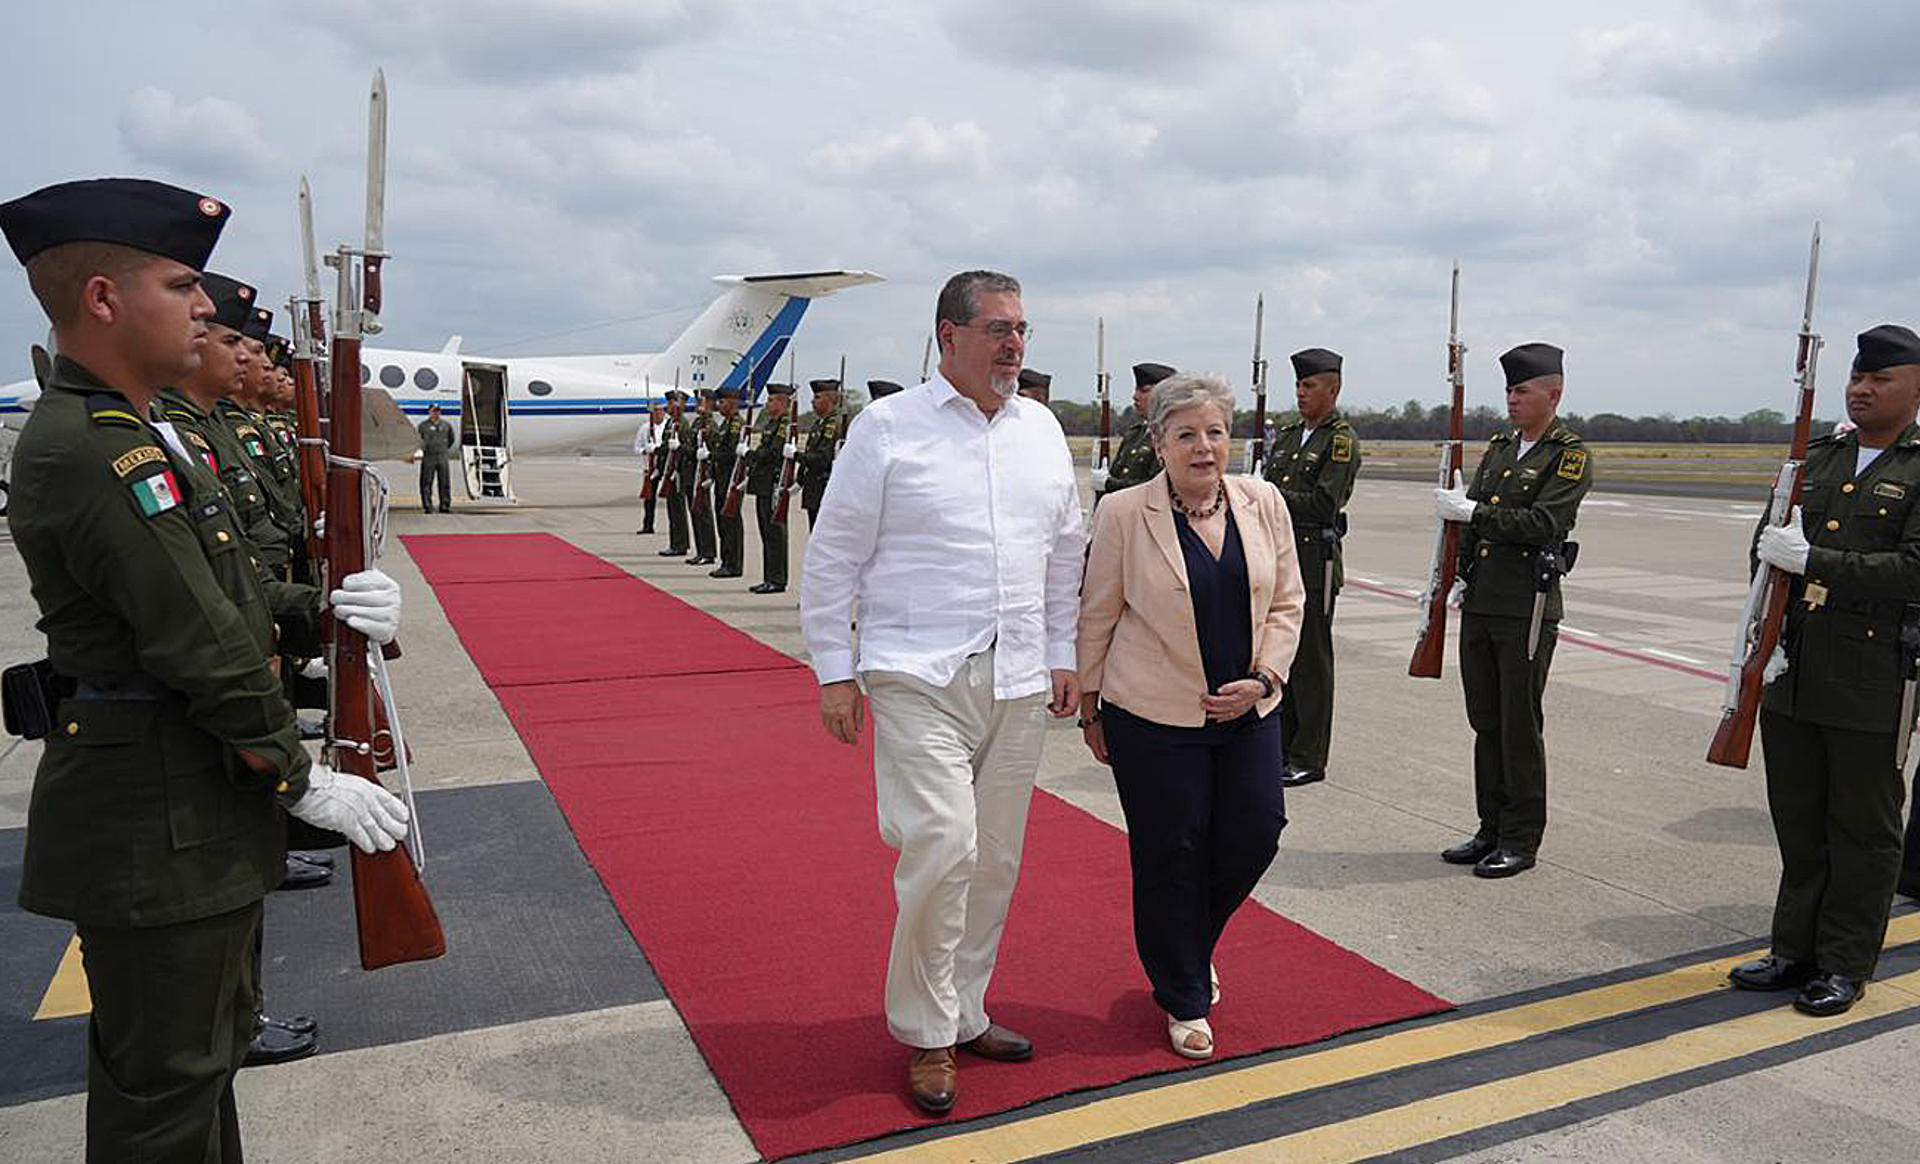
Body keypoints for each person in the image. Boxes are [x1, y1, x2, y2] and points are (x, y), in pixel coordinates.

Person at [1, 176, 410, 1164]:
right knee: (166, 1096)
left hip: (184, 804)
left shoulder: (134, 435)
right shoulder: (100, 454)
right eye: (182, 286)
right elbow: (198, 639)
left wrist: (328, 609)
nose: (203, 307)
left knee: (197, 1066)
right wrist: (300, 773)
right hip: (155, 820)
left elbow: (224, 598)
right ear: (103, 299)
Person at [799, 270, 1084, 1116]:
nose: (1015, 344)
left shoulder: (1041, 432)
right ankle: (926, 1034)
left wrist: (1065, 653)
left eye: (1022, 329)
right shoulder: (887, 429)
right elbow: (833, 554)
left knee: (993, 858)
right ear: (946, 336)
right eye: (998, 328)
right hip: (916, 671)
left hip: (1022, 675)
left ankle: (966, 1011)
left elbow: (1066, 554)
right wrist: (832, 669)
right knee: (943, 843)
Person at [1077, 371, 1304, 1059]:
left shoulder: (1263, 502)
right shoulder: (1123, 512)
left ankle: (1190, 942)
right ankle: (1182, 993)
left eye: (1215, 433)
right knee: (1171, 852)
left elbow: (1289, 603)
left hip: (1249, 710)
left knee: (1256, 832)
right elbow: (1099, 612)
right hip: (1151, 715)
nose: (1204, 447)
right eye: (1187, 435)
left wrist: (1264, 678)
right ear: (1159, 443)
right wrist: (1090, 706)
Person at [1727, 324, 1920, 1017]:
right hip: (1795, 661)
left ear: (1916, 387)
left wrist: (1813, 562)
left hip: (1870, 672)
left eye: (1881, 380)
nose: (1863, 389)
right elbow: (1765, 546)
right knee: (1799, 817)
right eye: (1858, 379)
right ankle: (1793, 949)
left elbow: (1912, 569)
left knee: (1862, 828)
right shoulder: (1819, 457)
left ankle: (1843, 962)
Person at [1434, 343, 1591, 879]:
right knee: (1486, 721)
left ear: (1554, 393)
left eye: (1521, 391)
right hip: (1482, 602)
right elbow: (1473, 518)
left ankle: (1521, 838)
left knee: (1519, 725)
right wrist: (1453, 575)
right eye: (1508, 391)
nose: (1511, 400)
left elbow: (1543, 522)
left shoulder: (1568, 455)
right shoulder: (1500, 449)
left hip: (1527, 606)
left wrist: (1474, 511)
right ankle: (1490, 827)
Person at [1263, 347, 1362, 787]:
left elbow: (1324, 503)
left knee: (1312, 663)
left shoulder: (1339, 441)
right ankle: (1281, 746)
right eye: (1298, 386)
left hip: (1313, 562)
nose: (1301, 394)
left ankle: (1309, 754)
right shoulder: (1287, 436)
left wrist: (1269, 497)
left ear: (1333, 389)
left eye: (1309, 386)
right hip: (1280, 558)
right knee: (1282, 656)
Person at [1096, 361, 1174, 499]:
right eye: (1136, 390)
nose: (1135, 396)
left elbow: (1155, 486)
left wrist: (1109, 484)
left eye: (1144, 391)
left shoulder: (1170, 436)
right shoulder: (1135, 434)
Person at [745, 382, 795, 593]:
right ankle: (769, 577)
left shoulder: (784, 425)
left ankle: (777, 579)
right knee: (766, 532)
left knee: (775, 533)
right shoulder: (771, 423)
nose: (768, 403)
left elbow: (772, 453)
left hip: (773, 483)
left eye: (772, 399)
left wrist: (749, 454)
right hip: (763, 483)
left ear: (783, 402)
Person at [706, 384, 746, 578]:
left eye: (721, 402)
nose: (718, 406)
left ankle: (733, 564)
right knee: (723, 522)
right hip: (722, 478)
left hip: (731, 479)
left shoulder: (736, 424)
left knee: (731, 523)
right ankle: (726, 561)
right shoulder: (725, 424)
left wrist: (711, 455)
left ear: (731, 402)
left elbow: (729, 453)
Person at [797, 377, 846, 528]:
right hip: (813, 488)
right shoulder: (818, 424)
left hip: (823, 487)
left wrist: (796, 456)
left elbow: (822, 458)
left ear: (830, 399)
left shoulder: (832, 425)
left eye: (817, 397)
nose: (812, 401)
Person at [684, 389, 718, 565]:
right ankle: (701, 550)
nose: (698, 404)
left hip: (702, 474)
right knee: (696, 512)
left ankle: (708, 552)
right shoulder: (697, 422)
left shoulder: (710, 425)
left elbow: (713, 450)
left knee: (704, 514)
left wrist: (709, 474)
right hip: (692, 472)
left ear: (710, 404)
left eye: (702, 401)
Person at [658, 389, 693, 557]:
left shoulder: (682, 423)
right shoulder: (670, 422)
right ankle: (675, 543)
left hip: (678, 472)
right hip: (669, 470)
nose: (669, 406)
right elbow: (667, 446)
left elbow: (684, 449)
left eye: (672, 403)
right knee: (673, 510)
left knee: (678, 509)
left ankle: (680, 545)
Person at [416, 402, 457, 513]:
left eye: (438, 411)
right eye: (434, 411)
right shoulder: (423, 426)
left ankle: (445, 505)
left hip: (442, 455)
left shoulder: (446, 425)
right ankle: (427, 506)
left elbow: (451, 439)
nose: (436, 413)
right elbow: (418, 440)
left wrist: (443, 449)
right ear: (429, 412)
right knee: (426, 482)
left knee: (444, 482)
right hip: (429, 456)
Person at [634, 400, 666, 535]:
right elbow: (637, 447)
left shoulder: (668, 426)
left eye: (661, 411)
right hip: (650, 466)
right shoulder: (645, 428)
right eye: (656, 411)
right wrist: (645, 450)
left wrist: (657, 449)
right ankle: (648, 525)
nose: (659, 414)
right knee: (649, 498)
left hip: (665, 464)